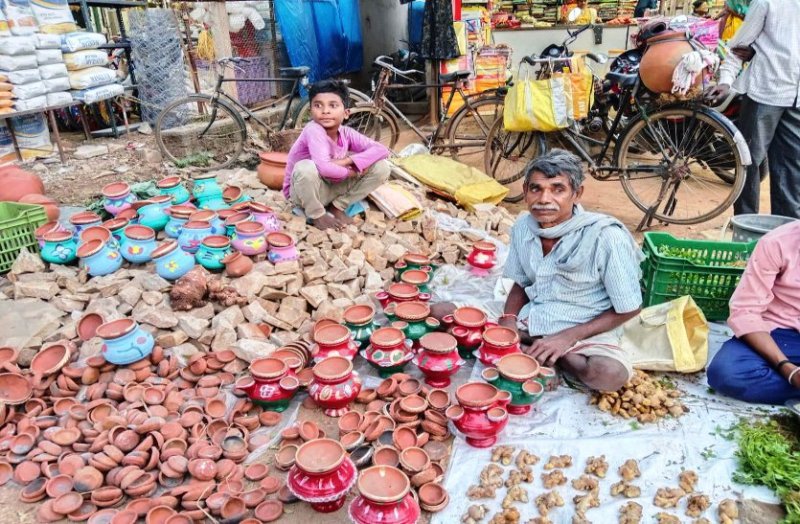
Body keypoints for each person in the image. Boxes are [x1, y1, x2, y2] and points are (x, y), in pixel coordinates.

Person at [433, 150, 643, 392]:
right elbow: (521, 283)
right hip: (532, 315)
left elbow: (629, 307)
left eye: (557, 189)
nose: (544, 199)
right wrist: (509, 320)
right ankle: (536, 349)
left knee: (608, 375)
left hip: (583, 324)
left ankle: (541, 350)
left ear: (577, 194)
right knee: (441, 313)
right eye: (536, 189)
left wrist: (567, 338)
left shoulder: (605, 237)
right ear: (525, 191)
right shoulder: (524, 226)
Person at [705, 0, 800, 219]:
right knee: (749, 163)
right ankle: (745, 224)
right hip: (764, 92)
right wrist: (726, 81)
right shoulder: (767, 3)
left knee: (791, 168)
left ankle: (786, 232)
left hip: (796, 101)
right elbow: (738, 48)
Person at [706, 220, 800, 404]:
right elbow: (745, 310)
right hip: (781, 333)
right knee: (727, 373)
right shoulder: (777, 243)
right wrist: (788, 370)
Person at [283, 80, 391, 230]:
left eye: (333, 105)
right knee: (305, 167)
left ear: (346, 113)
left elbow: (382, 150)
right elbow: (325, 169)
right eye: (318, 105)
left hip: (331, 188)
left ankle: (337, 206)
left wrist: (349, 160)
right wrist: (351, 172)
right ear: (311, 110)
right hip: (304, 193)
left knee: (382, 167)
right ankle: (317, 215)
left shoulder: (346, 133)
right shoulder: (313, 129)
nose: (325, 111)